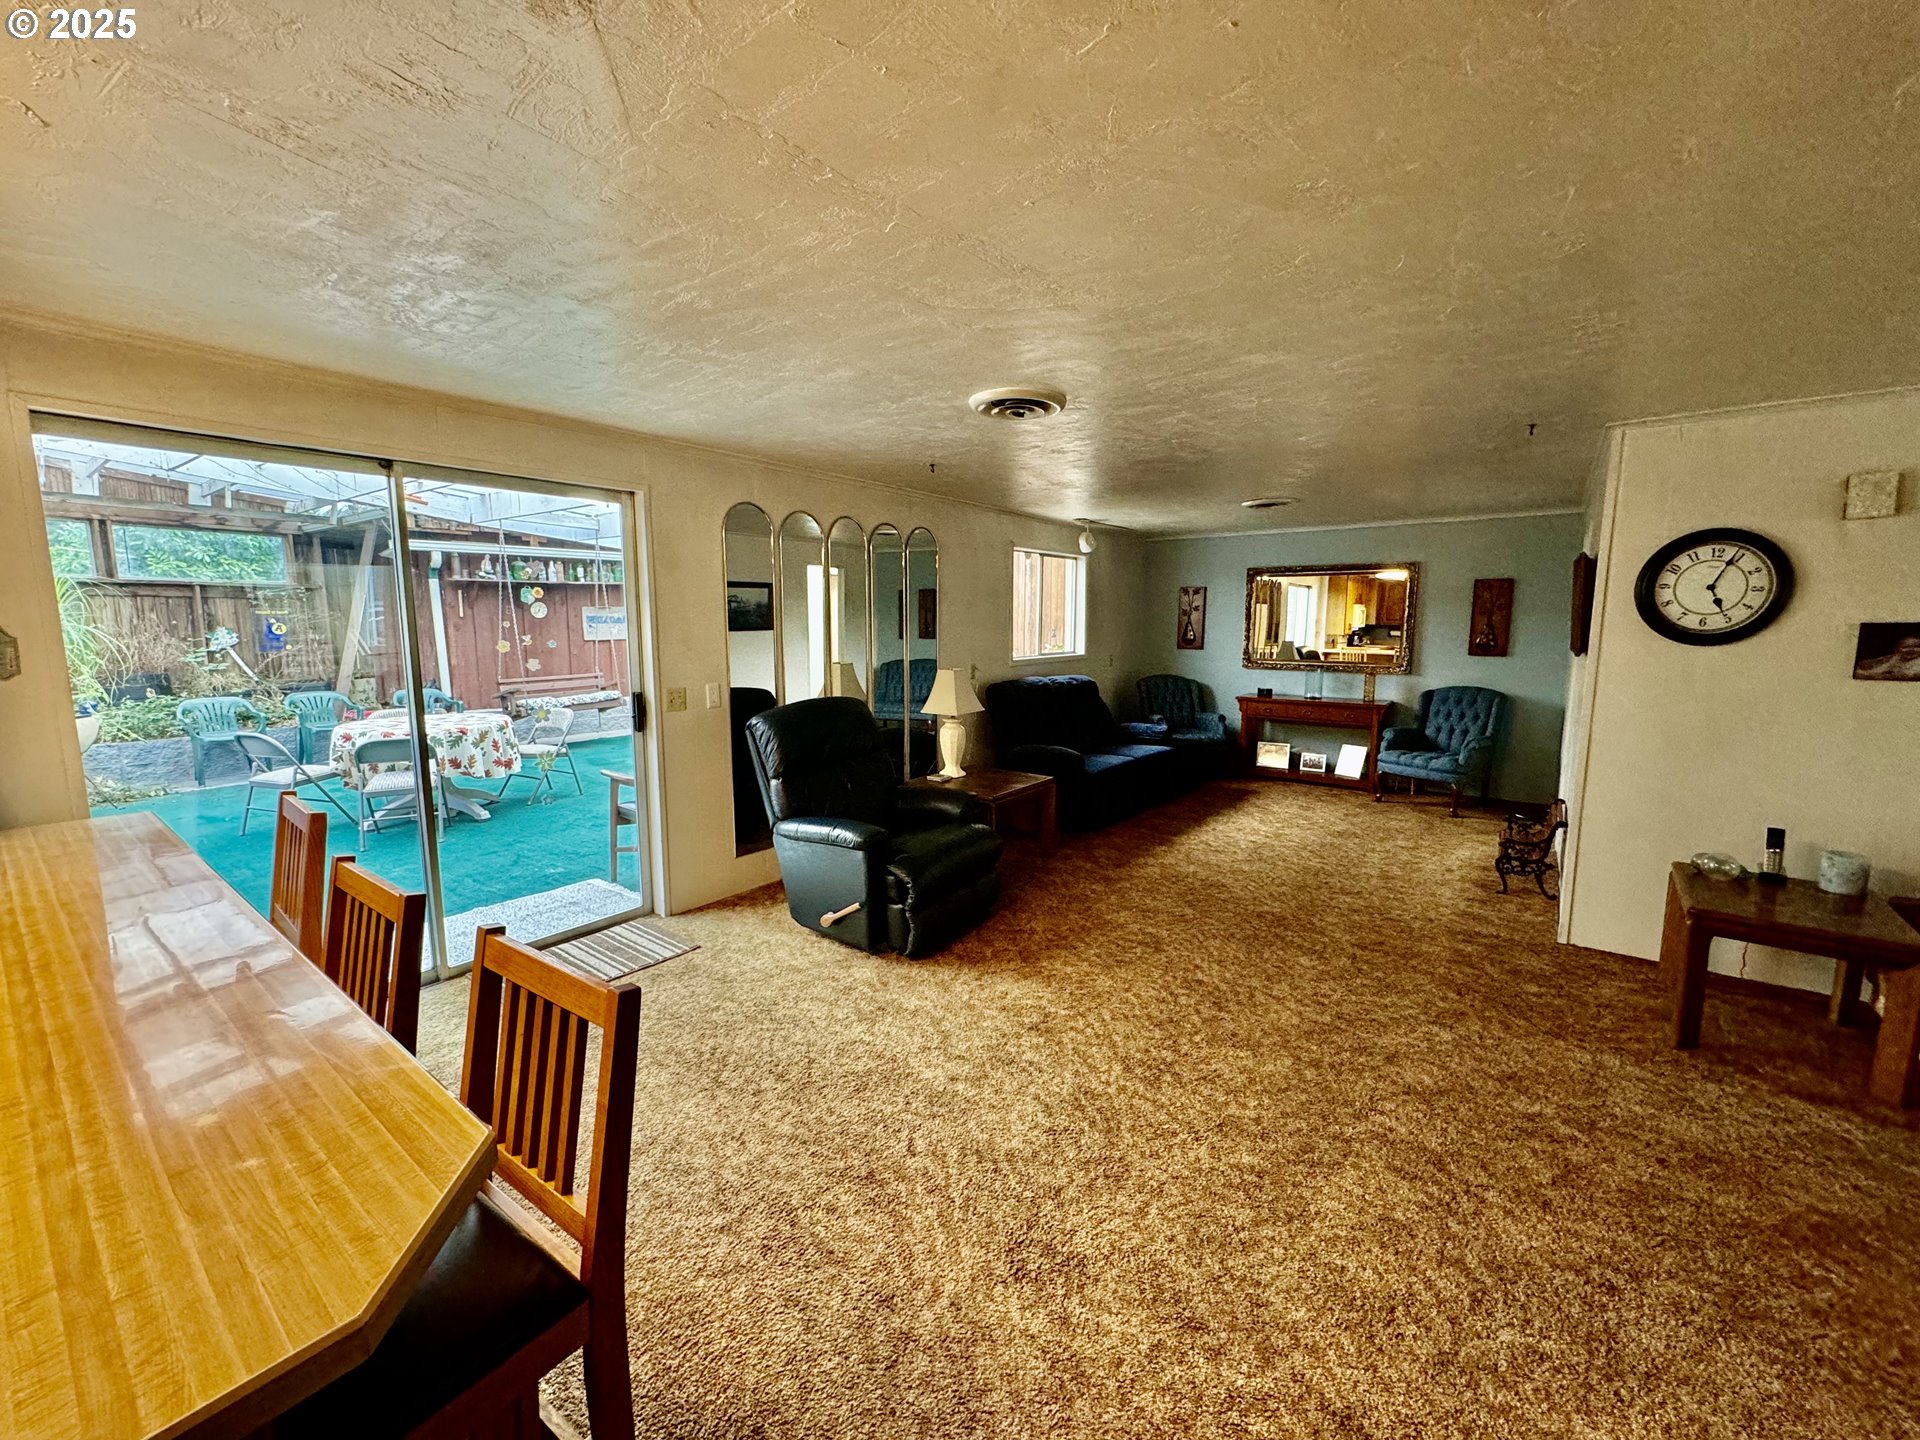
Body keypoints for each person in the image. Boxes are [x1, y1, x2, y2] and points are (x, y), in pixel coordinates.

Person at [1856, 632, 1920, 680]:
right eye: (1906, 647)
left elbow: (1911, 675)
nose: (1911, 650)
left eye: (1917, 647)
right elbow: (1883, 668)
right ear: (1897, 650)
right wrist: (1868, 673)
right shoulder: (1897, 658)